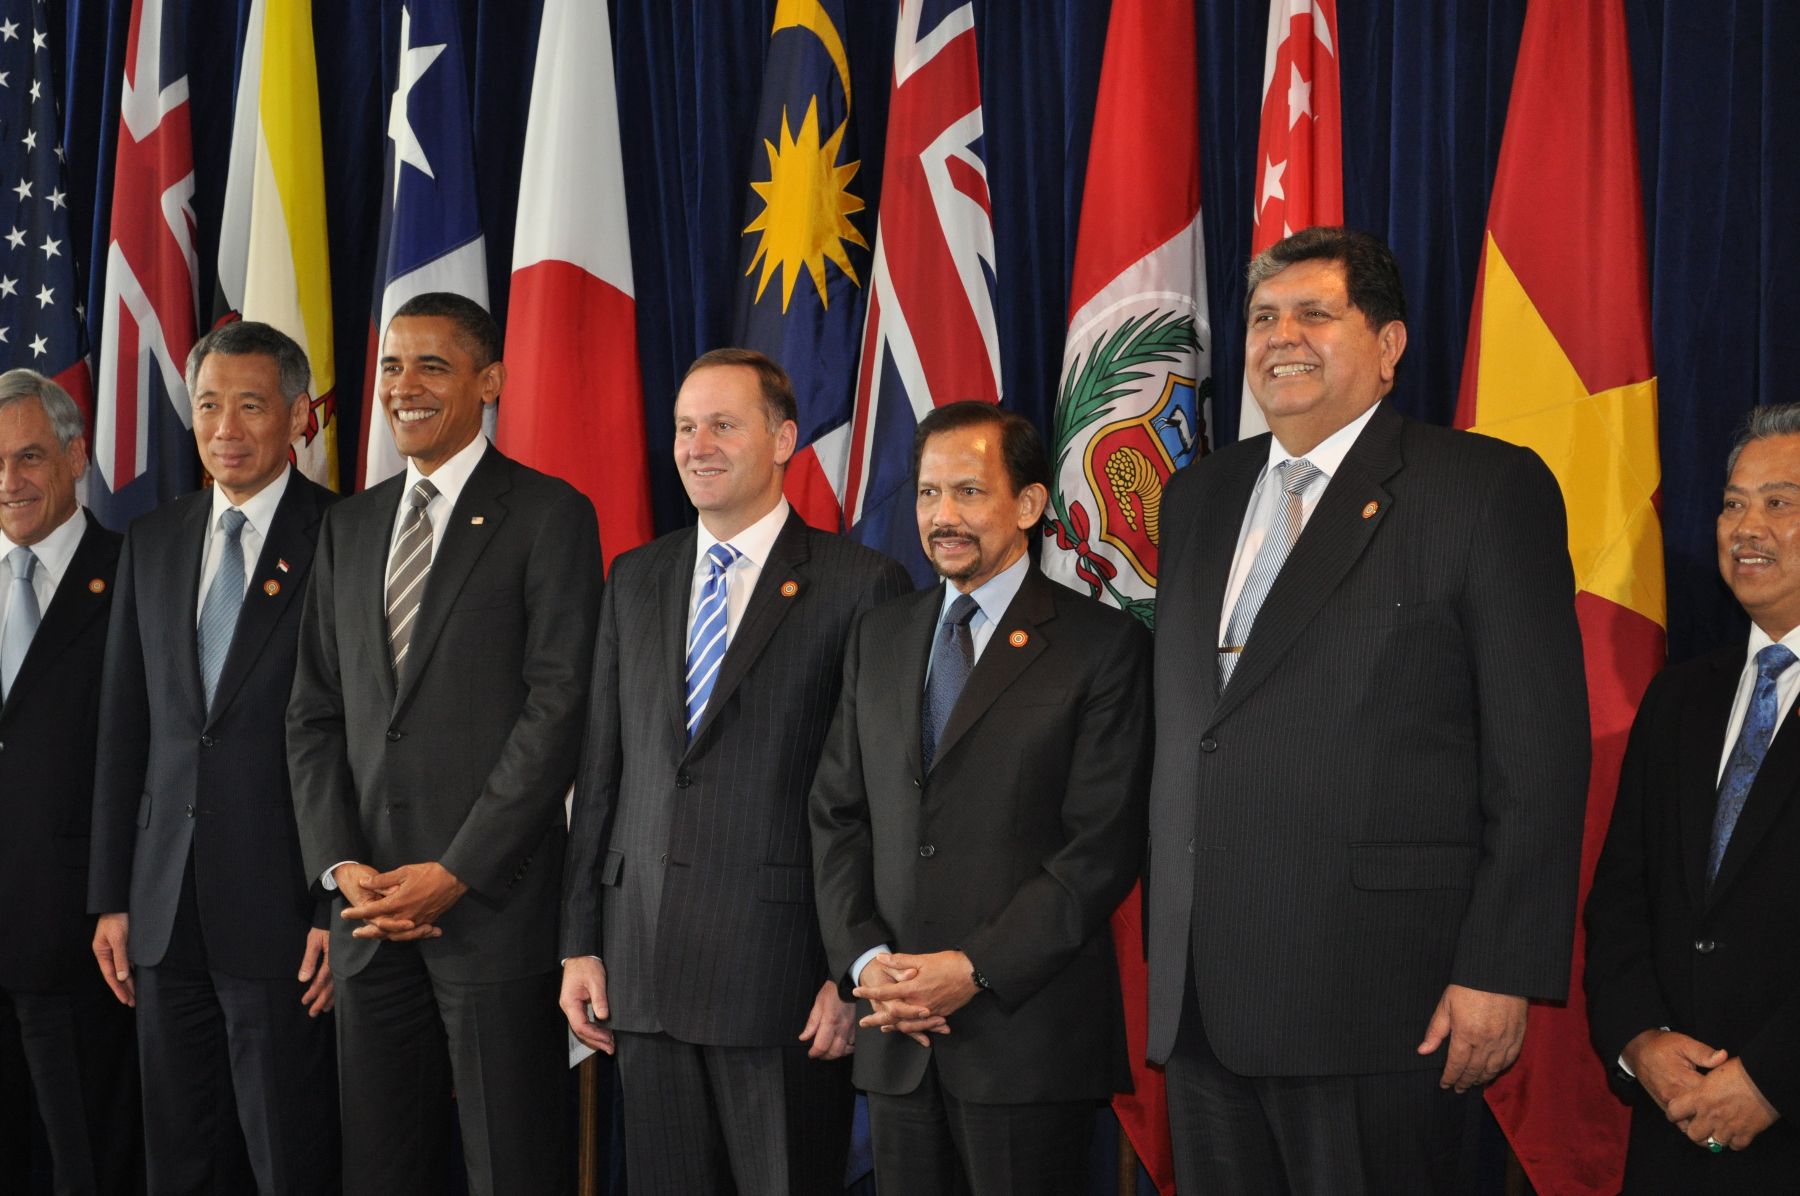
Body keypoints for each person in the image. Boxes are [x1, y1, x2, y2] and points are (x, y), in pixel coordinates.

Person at [1143, 226, 1591, 1192]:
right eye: (1264, 316)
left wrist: (1501, 966)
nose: (1281, 336)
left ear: (1388, 347)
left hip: (1381, 994)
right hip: (1203, 1001)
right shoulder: (1198, 496)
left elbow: (1538, 752)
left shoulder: (1480, 487)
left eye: (1315, 313)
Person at [559, 349, 909, 1194]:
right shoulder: (634, 578)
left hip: (785, 981)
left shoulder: (862, 584)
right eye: (684, 426)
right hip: (641, 968)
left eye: (723, 424)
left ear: (785, 438)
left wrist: (849, 970)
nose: (697, 445)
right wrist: (579, 945)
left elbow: (878, 800)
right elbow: (601, 772)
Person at [287, 292, 602, 1195]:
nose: (404, 386)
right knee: (381, 1169)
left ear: (489, 382)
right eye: (391, 365)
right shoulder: (347, 527)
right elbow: (314, 713)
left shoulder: (548, 514)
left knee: (511, 1168)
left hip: (491, 917)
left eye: (432, 365)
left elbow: (559, 710)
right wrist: (340, 865)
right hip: (368, 914)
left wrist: (456, 870)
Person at [810, 400, 1150, 1195]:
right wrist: (867, 962)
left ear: (1029, 505)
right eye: (929, 494)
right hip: (895, 1034)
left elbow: (1098, 848)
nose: (943, 517)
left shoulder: (1104, 648)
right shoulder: (880, 635)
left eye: (968, 492)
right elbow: (837, 814)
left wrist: (973, 968)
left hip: (1025, 1041)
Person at [88, 322, 340, 1193]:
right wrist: (111, 896)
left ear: (299, 416)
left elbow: (354, 742)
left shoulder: (344, 536)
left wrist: (334, 905)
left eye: (250, 405)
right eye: (206, 405)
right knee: (181, 1161)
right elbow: (126, 728)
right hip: (161, 912)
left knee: (289, 1156)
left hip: (284, 914)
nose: (225, 427)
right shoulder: (152, 541)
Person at [1586, 403, 1800, 1188]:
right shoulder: (1678, 699)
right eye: (1732, 503)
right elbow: (1619, 902)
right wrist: (1639, 1041)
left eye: (1779, 502)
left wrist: (1774, 1078)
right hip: (1671, 1134)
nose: (1747, 526)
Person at [0, 370, 139, 1193]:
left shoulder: (136, 575)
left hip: (79, 944)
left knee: (94, 1164)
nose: (8, 482)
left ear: (75, 454)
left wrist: (113, 897)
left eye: (27, 458)